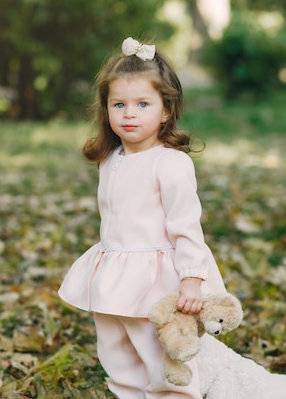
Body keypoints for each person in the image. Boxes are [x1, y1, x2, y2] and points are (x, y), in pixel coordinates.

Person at [58, 37, 227, 398]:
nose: (129, 113)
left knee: (156, 351)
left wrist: (193, 279)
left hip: (155, 275)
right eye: (118, 104)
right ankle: (128, 393)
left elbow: (186, 227)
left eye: (142, 104)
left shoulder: (170, 162)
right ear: (106, 109)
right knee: (115, 349)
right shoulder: (111, 157)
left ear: (166, 110)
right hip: (114, 268)